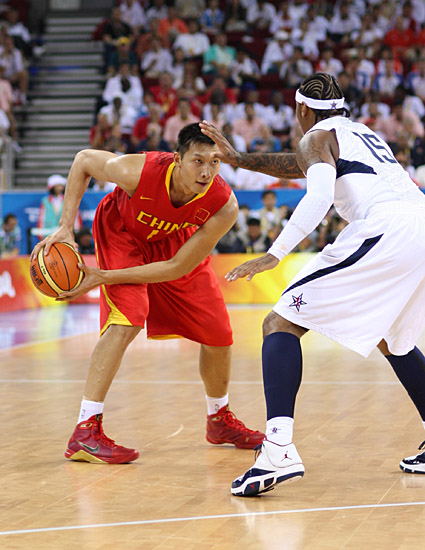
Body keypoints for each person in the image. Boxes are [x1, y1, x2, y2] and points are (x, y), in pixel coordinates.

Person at [200, 72, 425, 496]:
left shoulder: (316, 137)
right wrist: (240, 159)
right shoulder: (359, 133)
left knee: (280, 321)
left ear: (302, 108)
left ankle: (278, 450)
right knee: (394, 340)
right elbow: (300, 165)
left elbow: (318, 195)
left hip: (386, 230)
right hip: (420, 226)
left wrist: (275, 253)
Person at [30, 123, 264, 465]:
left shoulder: (224, 206)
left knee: (218, 332)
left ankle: (219, 419)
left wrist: (103, 277)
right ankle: (85, 430)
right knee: (128, 319)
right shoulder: (139, 171)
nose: (206, 171)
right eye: (198, 161)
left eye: (214, 162)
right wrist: (66, 226)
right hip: (122, 232)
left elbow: (176, 267)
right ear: (178, 159)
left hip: (172, 244)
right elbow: (83, 160)